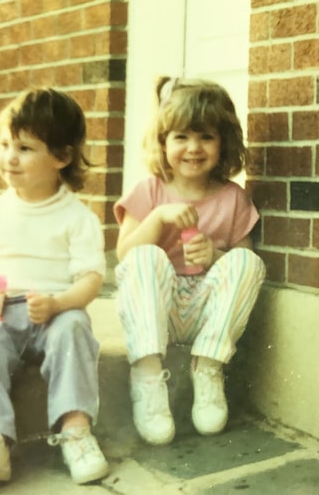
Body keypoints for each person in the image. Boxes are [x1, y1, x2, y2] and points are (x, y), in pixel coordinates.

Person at [0, 87, 110, 486]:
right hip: (2, 310)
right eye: (4, 144)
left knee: (75, 329)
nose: (9, 157)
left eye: (24, 147)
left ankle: (76, 431)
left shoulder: (77, 217)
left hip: (55, 308)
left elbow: (90, 279)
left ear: (62, 157)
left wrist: (59, 304)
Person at [113, 76, 265, 445]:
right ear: (163, 142)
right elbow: (123, 256)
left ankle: (208, 369)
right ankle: (148, 378)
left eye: (206, 137)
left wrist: (215, 255)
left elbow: (242, 263)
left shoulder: (233, 199)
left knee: (249, 262)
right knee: (144, 254)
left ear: (223, 142)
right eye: (181, 137)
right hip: (157, 308)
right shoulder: (149, 190)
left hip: (204, 312)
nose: (193, 148)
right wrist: (157, 218)